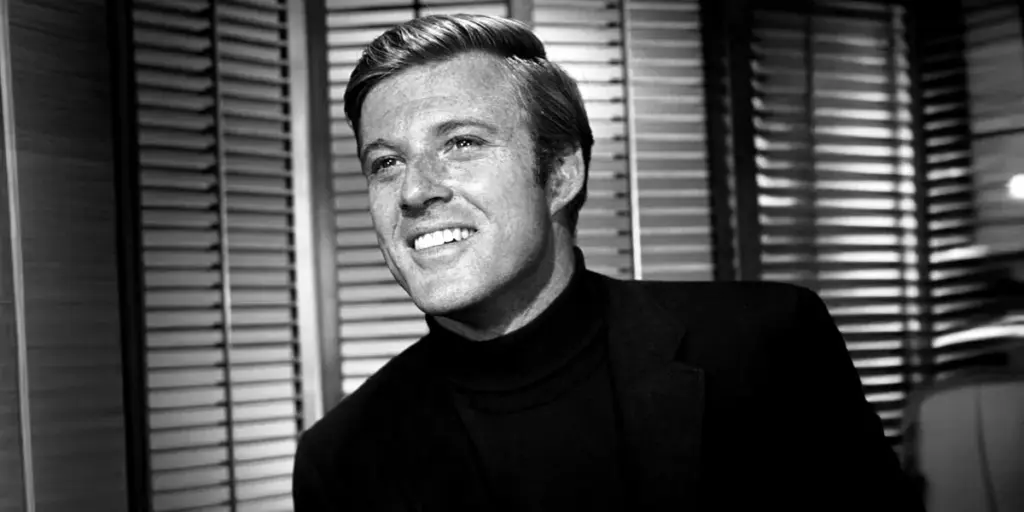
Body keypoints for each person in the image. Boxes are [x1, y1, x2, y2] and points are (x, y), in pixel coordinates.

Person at [292, 13, 923, 512]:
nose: (413, 190)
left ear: (560, 174)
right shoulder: (339, 459)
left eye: (461, 143)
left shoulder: (769, 342)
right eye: (385, 162)